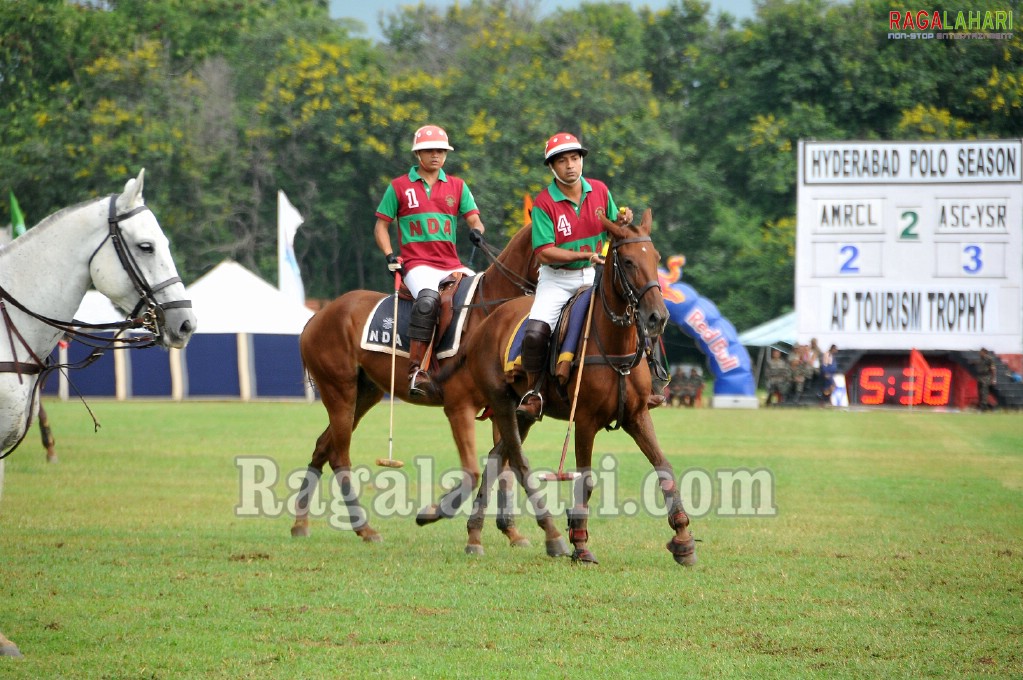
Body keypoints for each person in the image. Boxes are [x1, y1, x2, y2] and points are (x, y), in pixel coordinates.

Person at [515, 132, 633, 422]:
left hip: (593, 276)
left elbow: (613, 227)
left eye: (575, 158)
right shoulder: (544, 203)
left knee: (637, 312)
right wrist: (584, 256)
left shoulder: (600, 191)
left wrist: (622, 221)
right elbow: (544, 252)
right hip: (557, 280)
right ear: (552, 167)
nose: (570, 165)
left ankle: (651, 380)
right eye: (562, 160)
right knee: (536, 332)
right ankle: (535, 392)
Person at [373, 125, 487, 400]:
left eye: (440, 151)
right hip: (417, 263)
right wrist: (390, 254)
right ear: (418, 154)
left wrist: (476, 231)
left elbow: (474, 219)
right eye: (429, 150)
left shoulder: (458, 186)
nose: (436, 155)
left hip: (451, 263)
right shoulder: (399, 186)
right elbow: (380, 227)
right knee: (427, 301)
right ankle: (417, 370)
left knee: (482, 294)